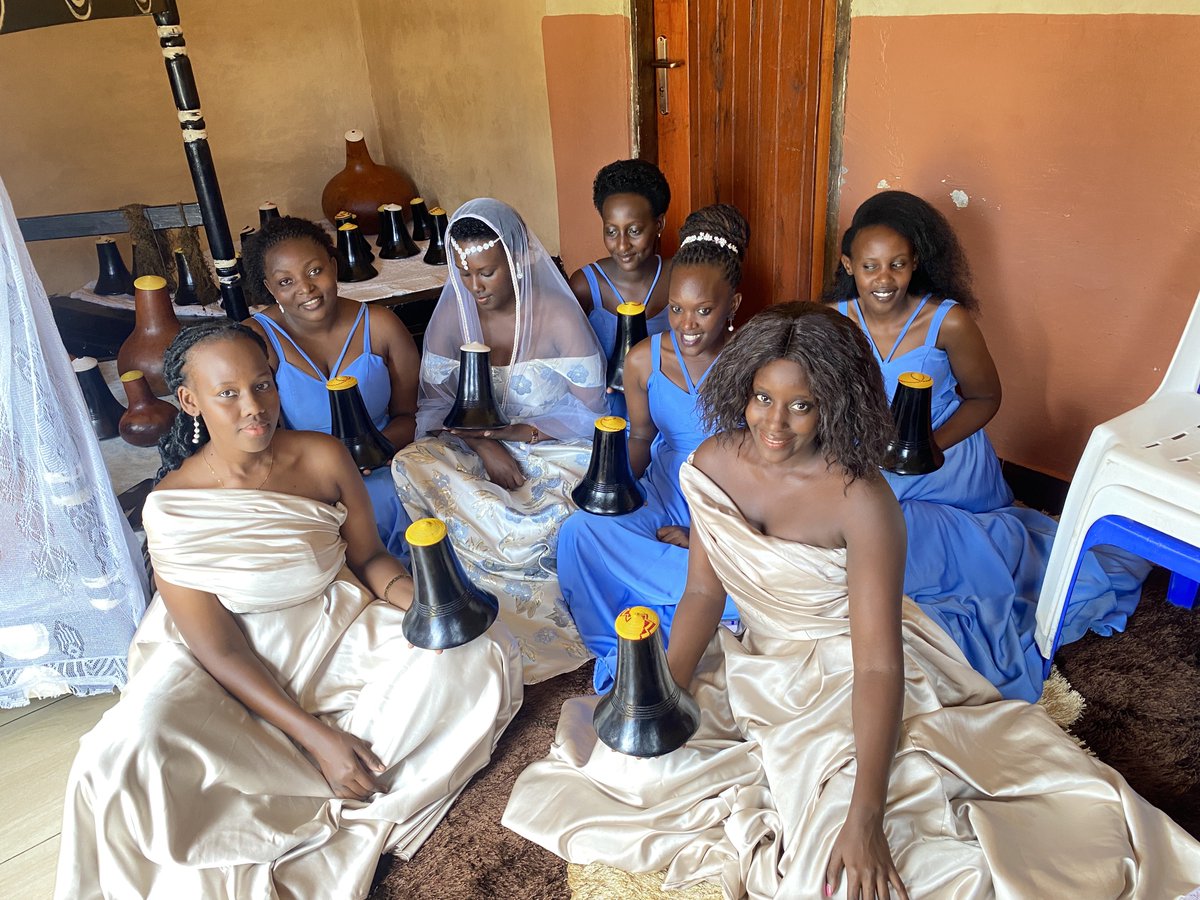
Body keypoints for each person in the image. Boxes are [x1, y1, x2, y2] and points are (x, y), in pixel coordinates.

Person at [503, 303, 1200, 900]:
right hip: (759, 664)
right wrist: (667, 700)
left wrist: (866, 814)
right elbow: (703, 592)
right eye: (762, 398)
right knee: (621, 767)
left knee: (842, 871)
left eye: (802, 404)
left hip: (855, 671)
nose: (776, 424)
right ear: (741, 390)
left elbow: (874, 667)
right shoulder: (709, 463)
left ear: (833, 402)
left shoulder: (863, 500)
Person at [55, 322, 522, 900]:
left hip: (338, 628)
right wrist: (315, 737)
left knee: (474, 650)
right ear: (190, 401)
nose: (254, 408)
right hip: (229, 662)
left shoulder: (323, 456)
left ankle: (356, 782)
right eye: (228, 394)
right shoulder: (171, 507)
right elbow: (218, 647)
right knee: (126, 747)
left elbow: (371, 559)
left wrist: (430, 607)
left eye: (263, 385)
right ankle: (314, 778)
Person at [823, 190, 1148, 702]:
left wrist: (929, 446)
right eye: (870, 266)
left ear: (915, 264)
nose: (884, 279)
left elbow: (985, 397)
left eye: (898, 265)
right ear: (849, 265)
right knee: (847, 553)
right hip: (871, 463)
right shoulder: (834, 320)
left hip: (946, 463)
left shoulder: (947, 321)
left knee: (902, 559)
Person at [392, 198, 607, 683]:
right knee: (410, 463)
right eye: (464, 274)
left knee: (556, 514)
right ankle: (462, 597)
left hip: (553, 446)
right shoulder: (455, 316)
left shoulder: (557, 316)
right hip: (472, 447)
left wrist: (515, 434)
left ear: (517, 259)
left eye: (486, 272)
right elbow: (433, 406)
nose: (474, 287)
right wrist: (486, 444)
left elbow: (590, 409)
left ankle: (524, 615)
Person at [558, 203, 746, 693]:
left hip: (731, 500)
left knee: (758, 568)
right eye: (677, 309)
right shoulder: (644, 359)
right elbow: (641, 438)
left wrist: (702, 533)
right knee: (580, 532)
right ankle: (613, 647)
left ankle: (713, 596)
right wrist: (612, 486)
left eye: (704, 310)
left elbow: (768, 463)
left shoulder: (754, 363)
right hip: (663, 487)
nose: (687, 325)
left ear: (734, 305)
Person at [244, 216, 420, 560]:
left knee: (388, 499)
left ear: (334, 266)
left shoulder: (381, 326)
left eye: (314, 271)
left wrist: (379, 448)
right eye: (285, 281)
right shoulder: (257, 339)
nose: (305, 289)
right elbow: (255, 433)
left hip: (382, 464)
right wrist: (328, 466)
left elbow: (410, 415)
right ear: (270, 288)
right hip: (304, 473)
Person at [569, 159, 673, 417]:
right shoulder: (585, 285)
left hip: (667, 412)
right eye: (612, 231)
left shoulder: (680, 277)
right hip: (605, 415)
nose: (623, 246)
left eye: (635, 230)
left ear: (659, 224)